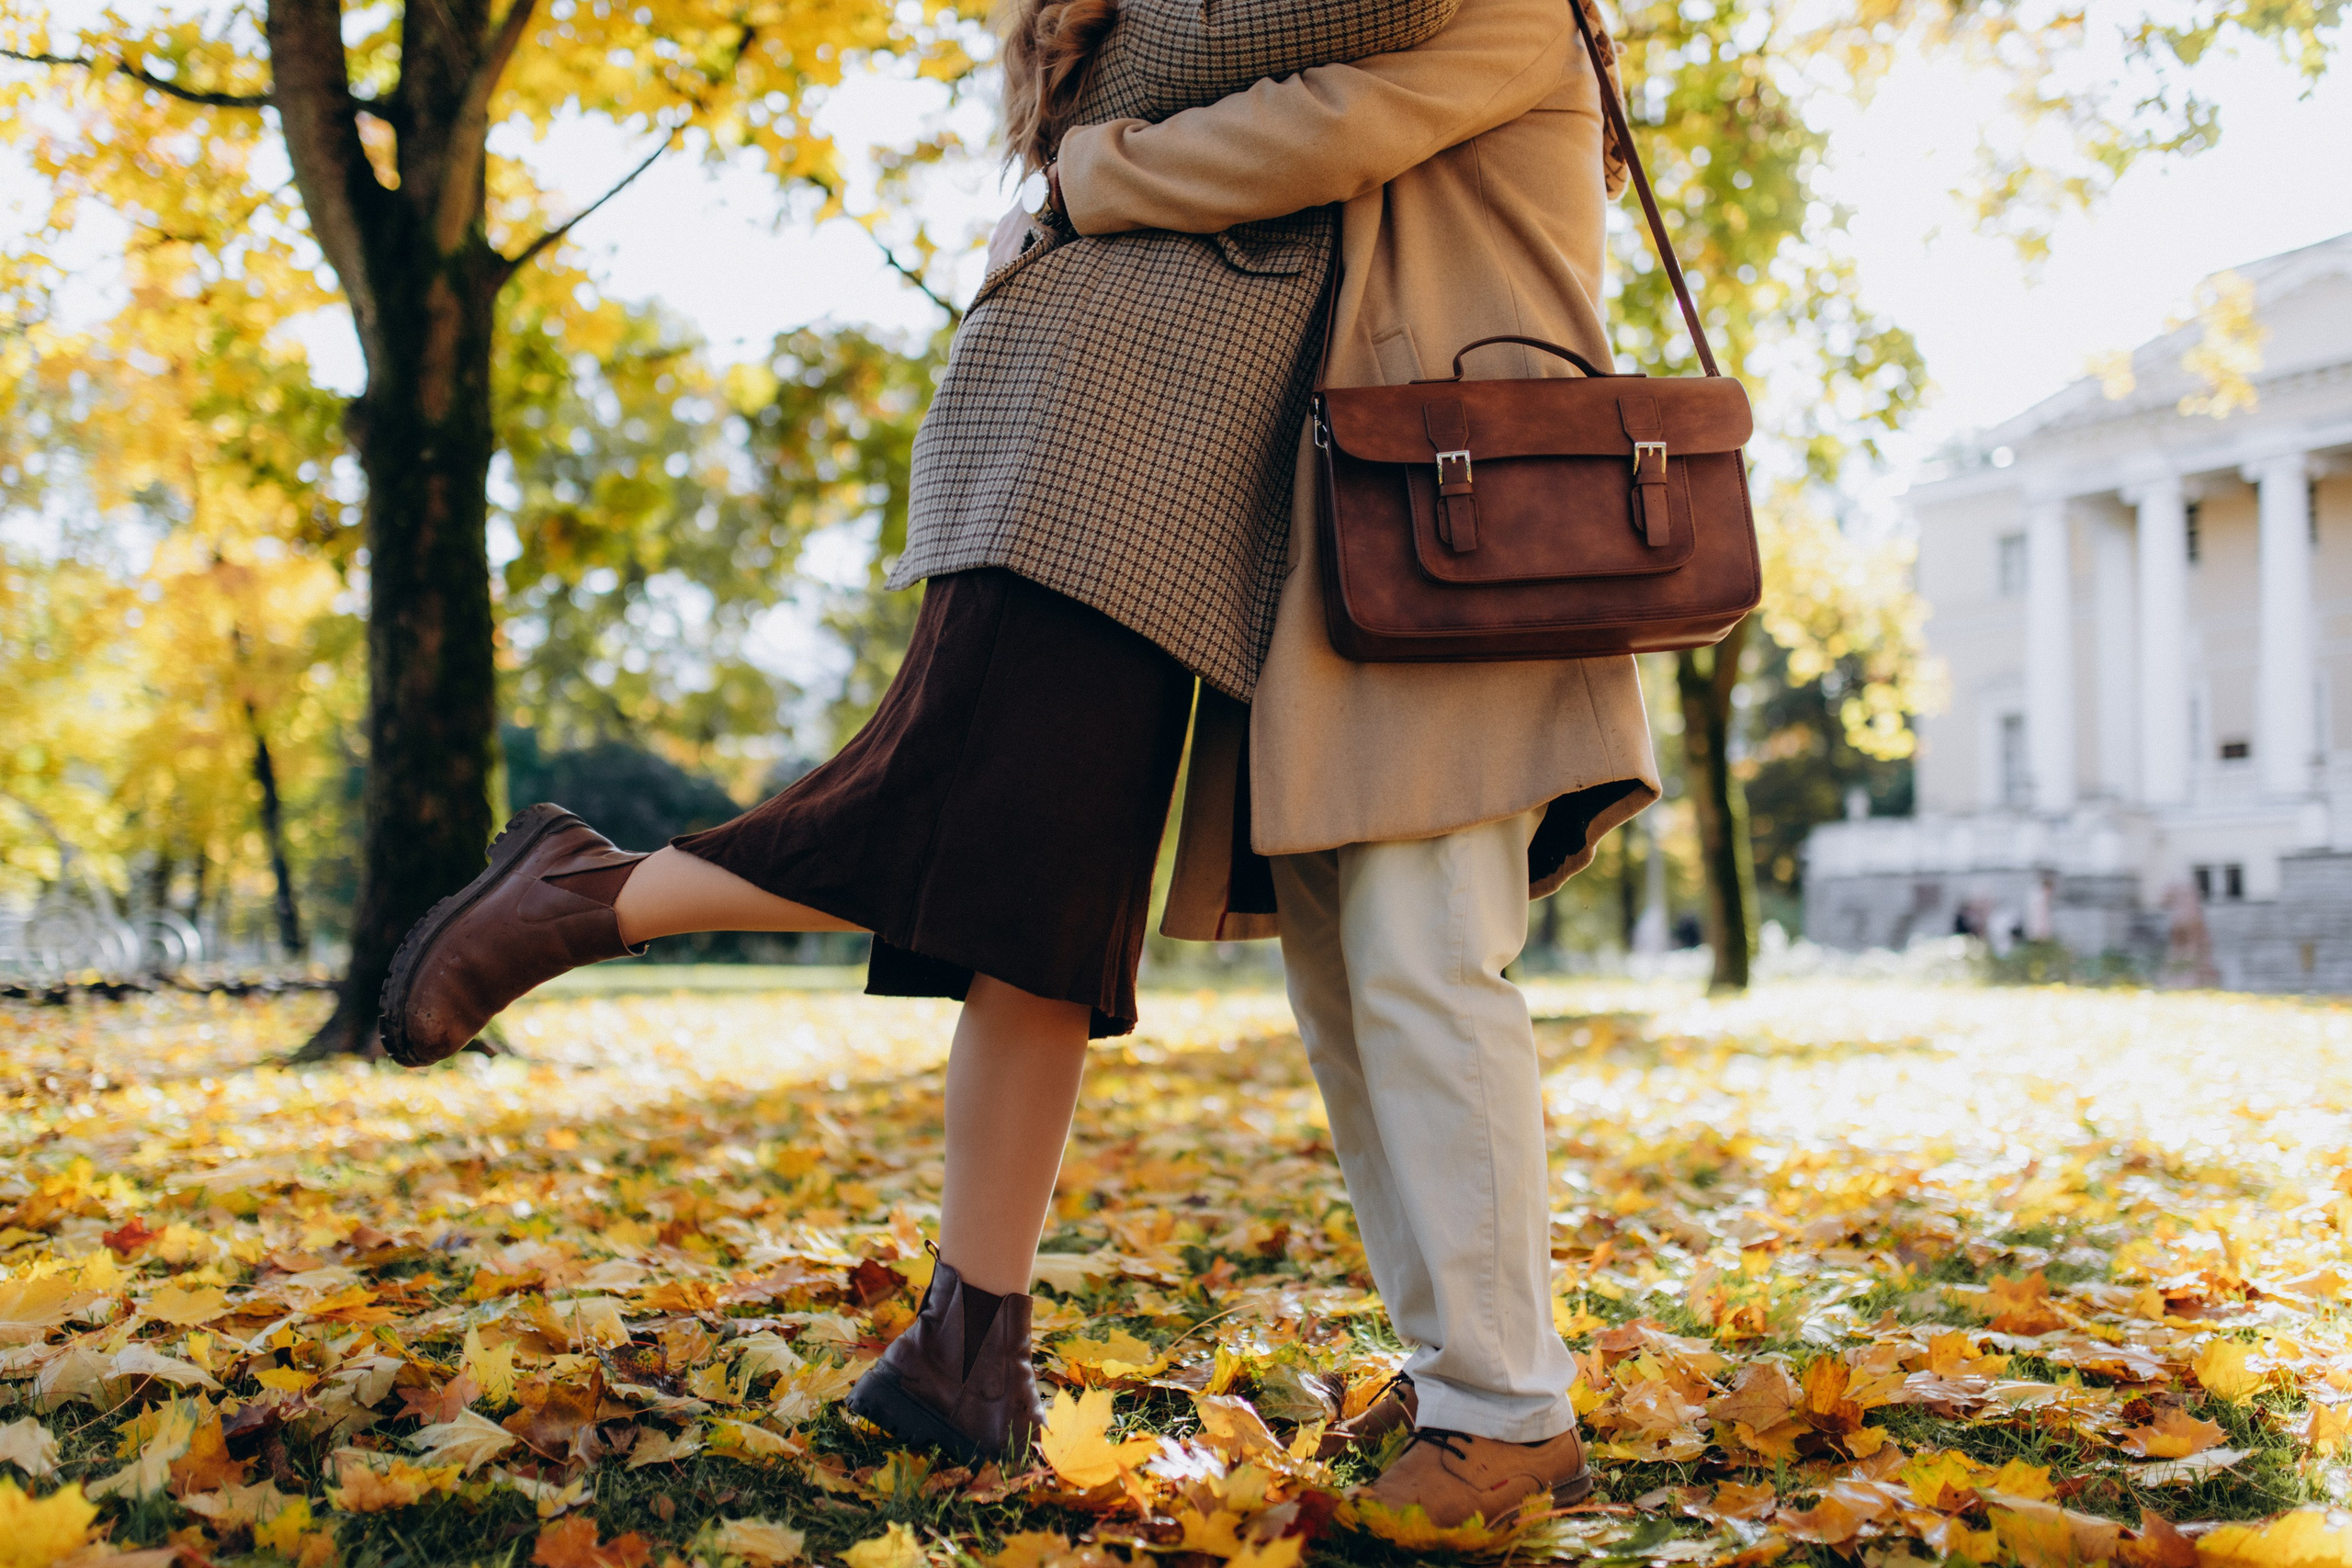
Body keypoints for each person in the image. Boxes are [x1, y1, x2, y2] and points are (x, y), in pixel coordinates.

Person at [373, 0, 1467, 1468]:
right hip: (1096, 447)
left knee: (1046, 919)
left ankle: (967, 1355)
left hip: (1152, 468)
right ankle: (585, 895)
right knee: (959, 827)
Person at [1039, 0, 1662, 1524]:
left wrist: (1091, 172)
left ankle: (1512, 1411)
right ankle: (1464, 1368)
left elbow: (1321, 126)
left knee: (1429, 961)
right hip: (1353, 540)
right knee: (1345, 977)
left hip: (1467, 532)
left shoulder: (1512, 13)